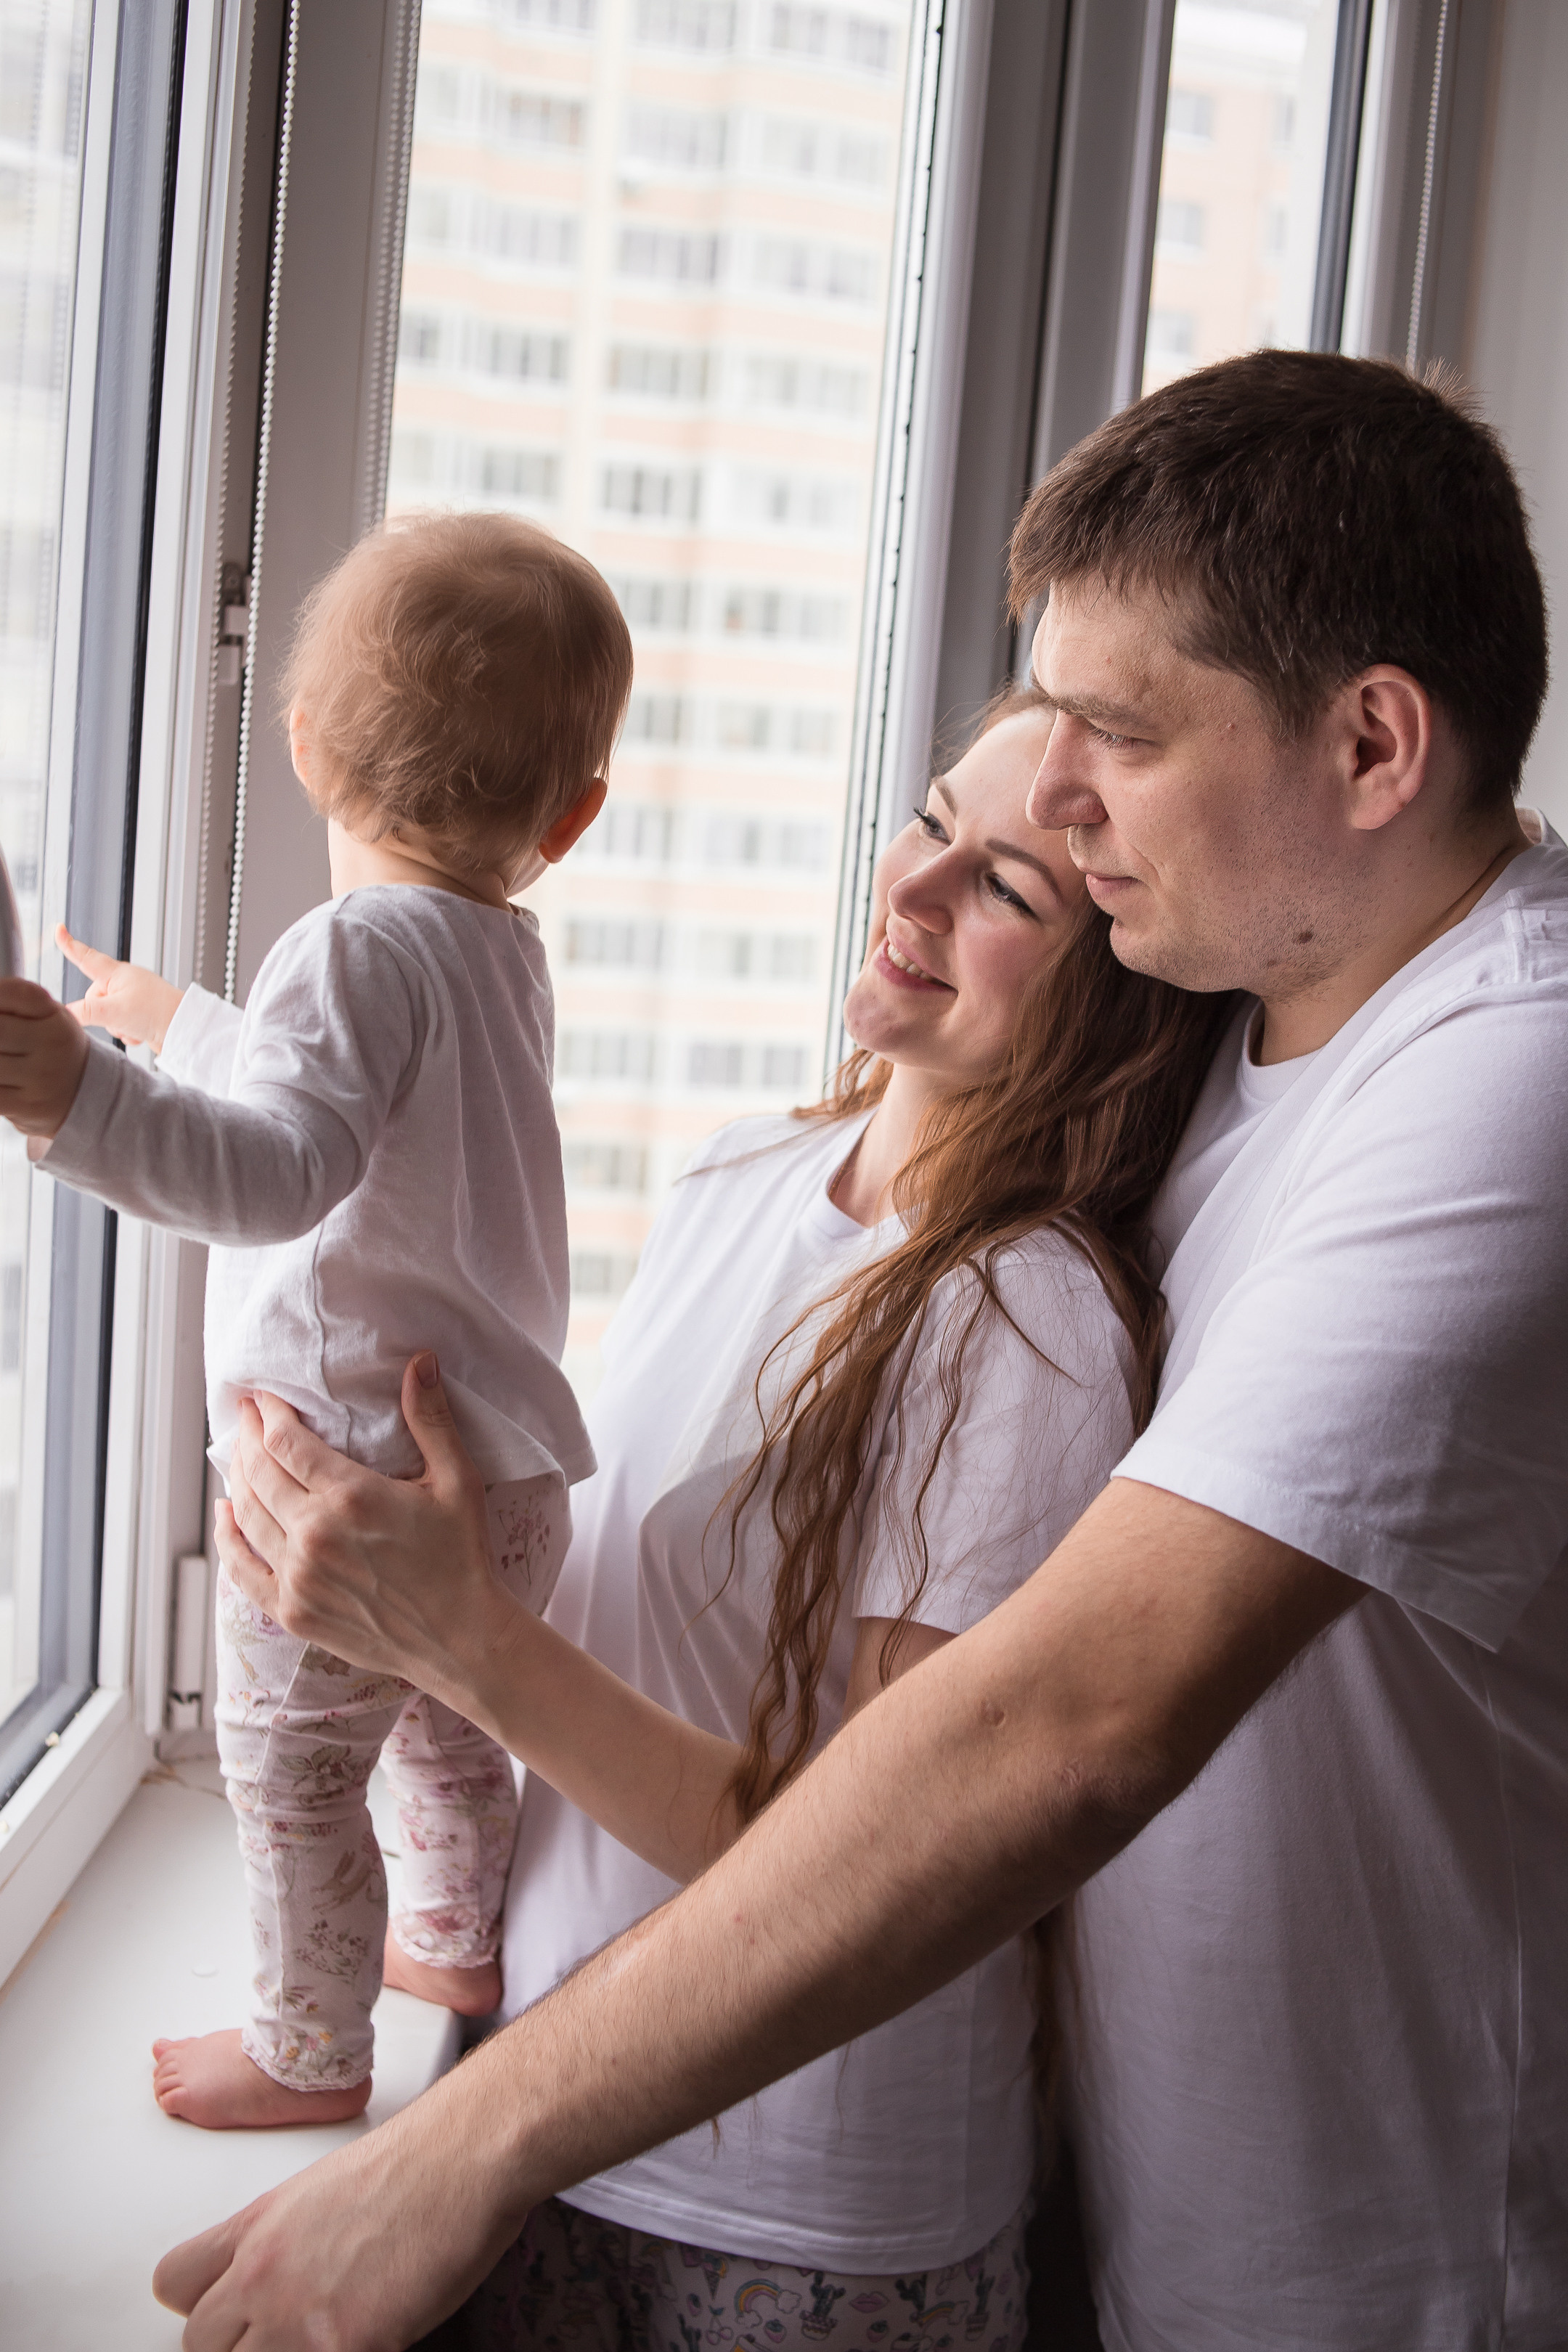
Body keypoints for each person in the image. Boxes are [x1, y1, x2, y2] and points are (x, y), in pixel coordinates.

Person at [144, 351, 1567, 2352]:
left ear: (1372, 747)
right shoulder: (1254, 1039)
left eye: (1119, 745)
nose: (1062, 806)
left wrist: (452, 2153)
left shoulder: (1509, 1084)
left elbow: (1060, 1732)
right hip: (1163, 2226)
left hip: (1400, 2271)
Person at [0, 511, 632, 2130]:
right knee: (439, 1735)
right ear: (572, 816)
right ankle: (448, 1938)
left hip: (340, 1489)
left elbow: (285, 1167)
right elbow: (367, 1122)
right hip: (499, 1485)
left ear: (302, 743)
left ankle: (307, 2049)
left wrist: (87, 1097)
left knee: (289, 1780)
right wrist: (188, 1020)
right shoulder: (502, 950)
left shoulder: (349, 945)